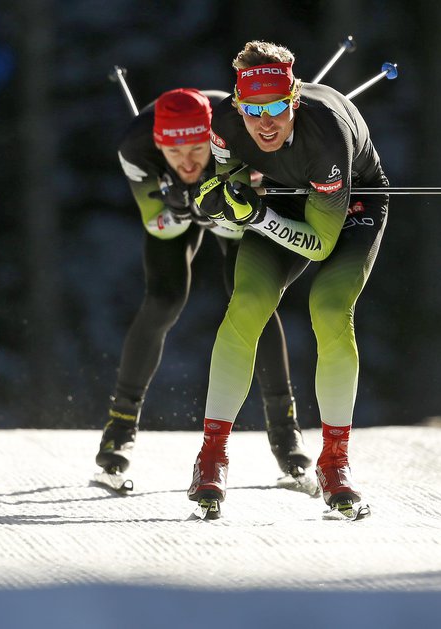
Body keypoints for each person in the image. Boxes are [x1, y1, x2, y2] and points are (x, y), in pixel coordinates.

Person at [188, 41, 389, 512]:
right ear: (237, 106)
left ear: (294, 100)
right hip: (282, 196)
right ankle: (211, 455)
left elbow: (319, 242)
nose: (266, 122)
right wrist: (218, 202)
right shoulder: (223, 124)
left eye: (277, 107)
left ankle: (334, 461)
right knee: (248, 303)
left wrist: (253, 215)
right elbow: (231, 185)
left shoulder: (325, 138)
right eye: (253, 110)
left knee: (330, 307)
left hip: (353, 202)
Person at [95, 87, 312, 479]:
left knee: (251, 300)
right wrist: (180, 209)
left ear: (211, 140)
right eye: (174, 153)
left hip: (234, 208)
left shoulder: (239, 137)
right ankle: (119, 428)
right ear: (159, 144)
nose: (186, 162)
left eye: (196, 150)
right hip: (178, 214)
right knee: (164, 300)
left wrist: (216, 206)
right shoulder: (136, 146)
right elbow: (154, 224)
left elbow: (243, 221)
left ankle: (285, 432)